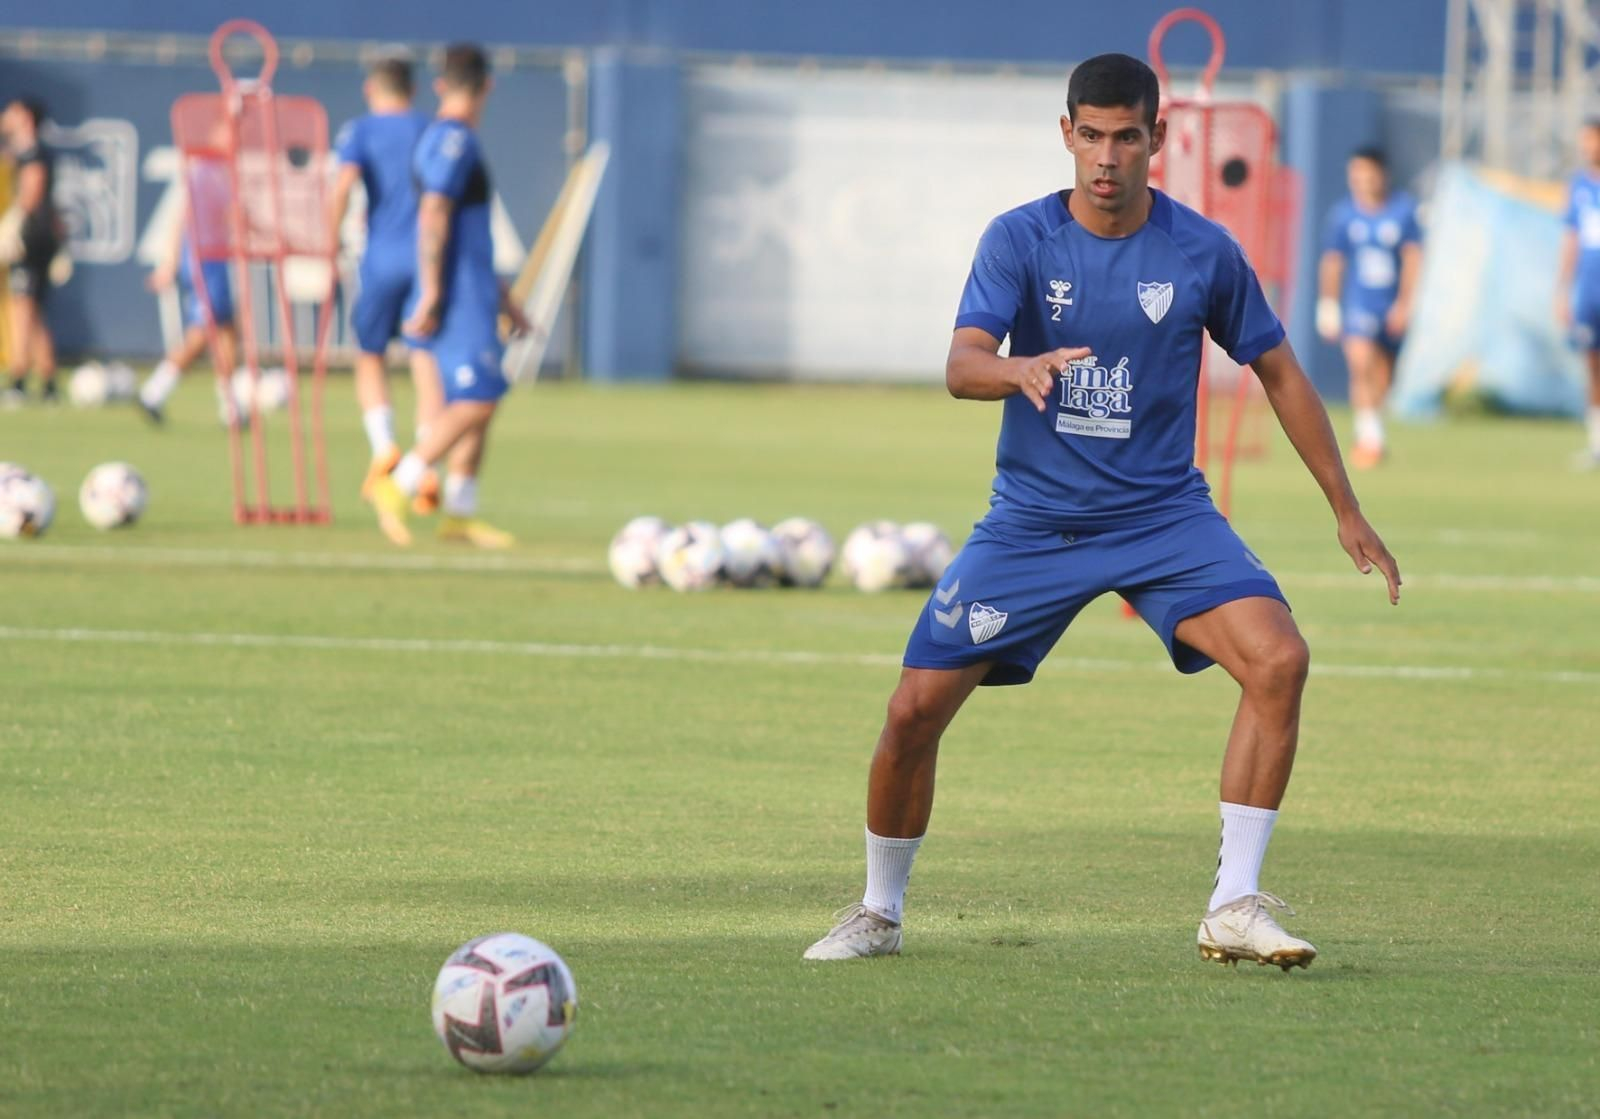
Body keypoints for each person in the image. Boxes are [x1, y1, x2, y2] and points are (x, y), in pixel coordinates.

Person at [802, 54, 1401, 969]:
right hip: (1034, 523)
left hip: (1164, 520)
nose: (1107, 156)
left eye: (1126, 137)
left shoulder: (1202, 252)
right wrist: (1019, 368)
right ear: (1067, 134)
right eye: (1091, 135)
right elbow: (962, 364)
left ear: (1158, 137)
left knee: (1280, 659)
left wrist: (1345, 507)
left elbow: (1279, 371)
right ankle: (879, 910)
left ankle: (1233, 904)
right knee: (913, 709)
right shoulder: (1021, 239)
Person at [368, 43, 527, 549]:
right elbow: (434, 212)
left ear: (440, 84)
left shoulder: (449, 138)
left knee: (475, 399)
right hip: (457, 296)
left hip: (471, 288)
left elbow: (467, 233)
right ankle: (398, 484)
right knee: (479, 399)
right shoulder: (453, 140)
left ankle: (459, 512)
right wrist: (435, 291)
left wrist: (505, 298)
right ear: (488, 85)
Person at [329, 54, 443, 511]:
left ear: (370, 89)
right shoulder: (430, 128)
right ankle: (427, 462)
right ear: (413, 90)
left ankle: (384, 449)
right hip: (425, 259)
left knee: (370, 353)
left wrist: (328, 242)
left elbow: (344, 186)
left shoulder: (361, 130)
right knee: (424, 356)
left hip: (381, 258)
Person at [1315, 148, 1422, 469]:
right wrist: (1328, 304)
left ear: (1382, 175)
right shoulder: (1344, 215)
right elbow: (1333, 261)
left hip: (1389, 304)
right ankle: (1369, 438)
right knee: (1360, 362)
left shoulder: (1403, 211)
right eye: (1356, 175)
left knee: (1383, 374)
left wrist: (1405, 304)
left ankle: (1374, 430)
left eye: (1368, 174)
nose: (1362, 181)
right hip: (1358, 303)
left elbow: (1413, 259)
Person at [137, 160, 239, 425]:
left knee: (227, 331)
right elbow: (185, 218)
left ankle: (230, 407)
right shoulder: (205, 173)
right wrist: (170, 263)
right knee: (203, 332)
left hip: (216, 259)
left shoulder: (219, 171)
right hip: (205, 261)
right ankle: (154, 391)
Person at [1, 97, 65, 406]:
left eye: (12, 111)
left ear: (26, 117)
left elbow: (33, 191)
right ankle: (49, 380)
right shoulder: (22, 151)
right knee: (34, 309)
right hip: (40, 236)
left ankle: (18, 379)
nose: (5, 116)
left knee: (22, 308)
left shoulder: (34, 152)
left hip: (31, 238)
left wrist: (12, 224)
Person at [1555, 119, 1600, 470]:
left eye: (1593, 139)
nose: (1587, 146)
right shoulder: (1579, 186)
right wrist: (1562, 289)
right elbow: (1571, 239)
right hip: (1588, 291)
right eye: (1584, 140)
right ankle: (1597, 443)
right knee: (1593, 365)